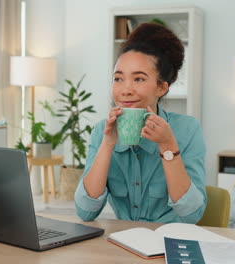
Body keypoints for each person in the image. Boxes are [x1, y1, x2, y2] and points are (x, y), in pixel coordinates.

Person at [74, 23, 207, 223]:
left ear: (161, 87)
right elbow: (85, 212)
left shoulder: (188, 130)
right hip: (124, 243)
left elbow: (191, 216)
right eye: (118, 79)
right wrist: (108, 144)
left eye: (138, 79)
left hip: (170, 243)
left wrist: (167, 145)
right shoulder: (103, 130)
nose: (125, 90)